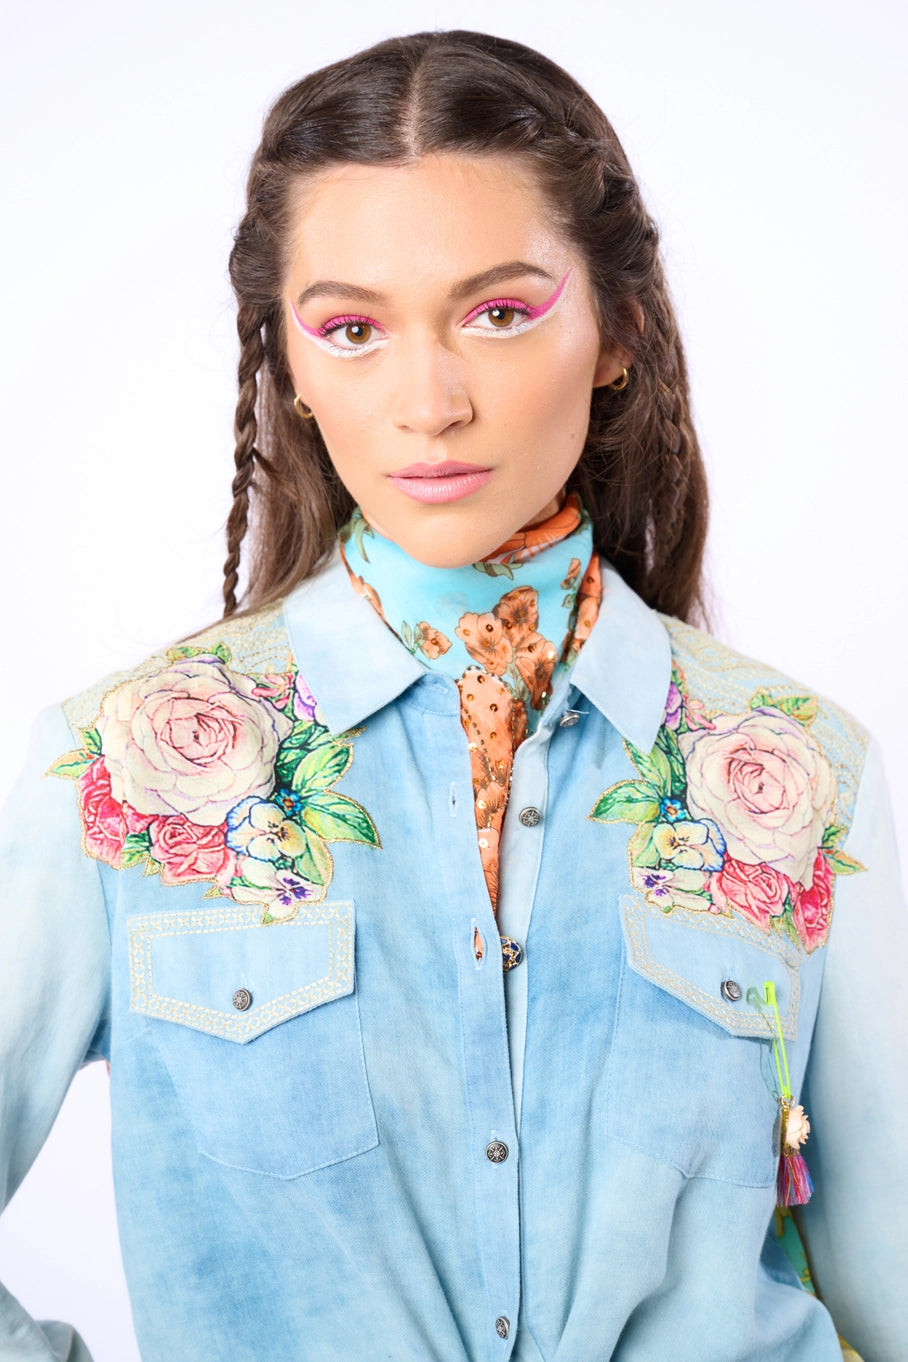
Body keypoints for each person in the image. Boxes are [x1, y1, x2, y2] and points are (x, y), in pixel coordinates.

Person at [1, 28, 905, 1362]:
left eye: (498, 313)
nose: (428, 403)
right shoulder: (116, 769)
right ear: (290, 364)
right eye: (353, 330)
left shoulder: (803, 771)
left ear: (618, 331)